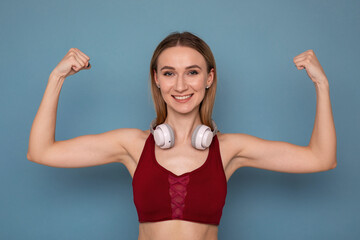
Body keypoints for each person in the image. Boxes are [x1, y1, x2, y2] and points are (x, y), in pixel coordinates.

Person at [27, 31, 337, 240]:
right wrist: (57, 78)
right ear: (156, 80)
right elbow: (41, 151)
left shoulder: (229, 149)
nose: (180, 86)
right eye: (169, 73)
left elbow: (321, 158)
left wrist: (322, 86)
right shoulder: (132, 145)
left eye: (192, 72)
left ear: (208, 79)